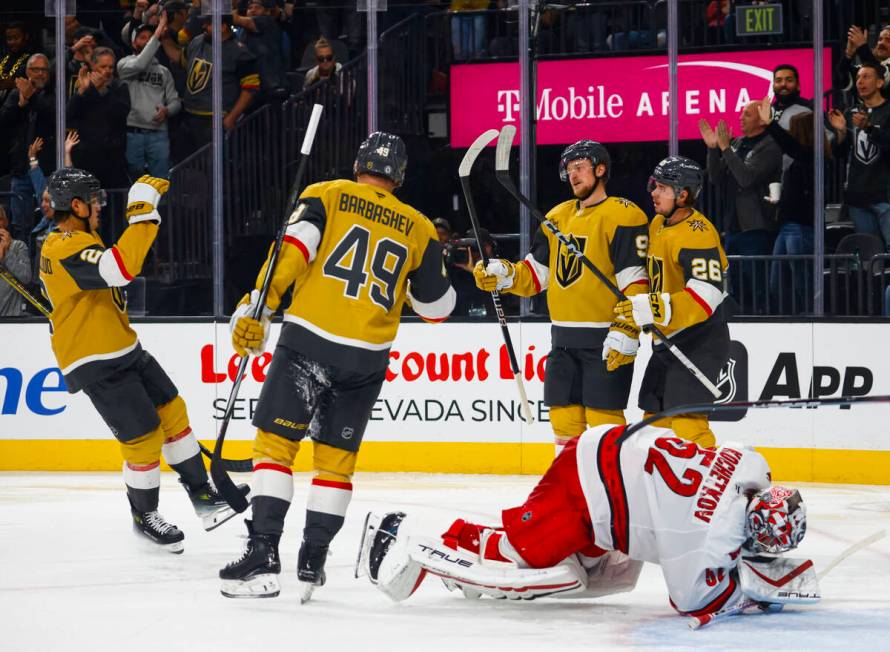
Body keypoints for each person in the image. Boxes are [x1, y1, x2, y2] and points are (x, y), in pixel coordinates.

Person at [219, 132, 456, 601]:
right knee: (336, 462)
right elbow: (438, 308)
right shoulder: (419, 227)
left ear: (358, 163)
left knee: (275, 446)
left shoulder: (325, 194)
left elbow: (292, 254)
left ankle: (264, 554)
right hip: (366, 358)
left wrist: (258, 308)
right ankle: (314, 560)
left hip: (309, 342)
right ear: (400, 176)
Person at [359, 422, 811, 622]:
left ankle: (470, 560)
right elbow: (692, 600)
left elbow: (740, 458)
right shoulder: (704, 536)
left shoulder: (753, 466)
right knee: (533, 559)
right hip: (588, 479)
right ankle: (412, 533)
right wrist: (755, 586)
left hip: (616, 459)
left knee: (606, 572)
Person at [38, 169, 243, 551]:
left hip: (123, 348)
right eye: (94, 200)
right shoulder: (62, 246)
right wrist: (143, 212)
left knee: (173, 413)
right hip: (94, 359)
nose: (100, 206)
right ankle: (143, 516)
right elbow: (121, 269)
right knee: (144, 439)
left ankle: (202, 495)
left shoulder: (80, 237)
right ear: (77, 206)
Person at [473, 141, 649, 453]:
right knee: (564, 424)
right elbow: (534, 277)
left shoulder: (624, 215)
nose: (573, 175)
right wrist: (504, 274)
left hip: (605, 342)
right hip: (563, 341)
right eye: (569, 170)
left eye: (580, 167)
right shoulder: (556, 217)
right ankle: (569, 498)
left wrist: (627, 328)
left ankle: (611, 498)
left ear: (600, 169)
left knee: (604, 428)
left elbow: (635, 281)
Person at [614, 157, 729, 449]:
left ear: (684, 194)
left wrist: (653, 308)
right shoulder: (658, 224)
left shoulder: (698, 234)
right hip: (666, 341)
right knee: (653, 425)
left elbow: (707, 296)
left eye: (663, 187)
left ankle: (715, 489)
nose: (654, 192)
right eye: (655, 185)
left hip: (699, 341)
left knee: (689, 426)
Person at [701, 103, 781, 313]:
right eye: (741, 112)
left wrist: (726, 149)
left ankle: (760, 323)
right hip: (733, 226)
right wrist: (712, 149)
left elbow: (746, 178)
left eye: (747, 114)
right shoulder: (738, 142)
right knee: (736, 285)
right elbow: (716, 178)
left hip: (756, 227)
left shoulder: (770, 146)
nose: (740, 117)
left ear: (762, 120)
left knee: (756, 286)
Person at [759, 99, 829, 313]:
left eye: (792, 131)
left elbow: (792, 147)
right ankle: (789, 316)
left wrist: (771, 125)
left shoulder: (812, 157)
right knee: (777, 280)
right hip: (788, 225)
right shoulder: (797, 161)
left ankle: (810, 316)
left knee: (801, 279)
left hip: (800, 227)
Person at [160, 14, 259, 158]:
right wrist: (165, 39)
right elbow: (179, 59)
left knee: (211, 167)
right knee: (183, 164)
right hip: (189, 117)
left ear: (223, 27)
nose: (203, 27)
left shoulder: (239, 52)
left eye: (208, 24)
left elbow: (250, 88)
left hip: (215, 121)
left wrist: (232, 117)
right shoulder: (198, 41)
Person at [829, 62, 890, 251]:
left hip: (885, 196)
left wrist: (869, 129)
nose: (860, 82)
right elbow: (839, 154)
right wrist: (840, 133)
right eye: (857, 78)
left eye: (866, 77)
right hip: (858, 197)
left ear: (880, 82)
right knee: (870, 256)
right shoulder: (850, 113)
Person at [117, 16, 181, 180]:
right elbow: (140, 64)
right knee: (135, 178)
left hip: (158, 134)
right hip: (133, 133)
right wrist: (158, 32)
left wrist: (167, 110)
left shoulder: (163, 71)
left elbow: (176, 101)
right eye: (142, 37)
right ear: (133, 43)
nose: (147, 41)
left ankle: (161, 207)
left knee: (160, 180)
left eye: (150, 38)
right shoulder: (124, 64)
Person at [0, 53, 55, 239]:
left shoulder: (52, 95)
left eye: (43, 70)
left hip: (45, 169)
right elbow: (3, 121)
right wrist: (20, 105)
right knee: (19, 223)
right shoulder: (16, 94)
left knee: (49, 218)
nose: (40, 74)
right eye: (35, 69)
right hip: (20, 168)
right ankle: (23, 264)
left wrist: (31, 98)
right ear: (26, 71)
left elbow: (52, 118)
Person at [67, 47, 132, 190]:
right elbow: (68, 117)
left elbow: (119, 114)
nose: (108, 71)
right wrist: (81, 92)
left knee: (112, 208)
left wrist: (101, 90)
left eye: (110, 67)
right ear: (93, 67)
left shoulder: (120, 87)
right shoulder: (84, 88)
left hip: (113, 160)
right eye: (103, 66)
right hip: (87, 159)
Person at [232, 0, 288, 103]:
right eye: (250, 8)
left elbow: (235, 19)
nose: (253, 10)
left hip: (271, 88)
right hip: (254, 86)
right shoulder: (244, 31)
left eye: (257, 7)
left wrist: (235, 5)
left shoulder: (266, 21)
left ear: (266, 11)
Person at [834, 25, 890, 102]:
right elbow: (840, 81)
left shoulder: (881, 69)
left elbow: (881, 75)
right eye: (880, 39)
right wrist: (848, 54)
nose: (881, 43)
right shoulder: (865, 67)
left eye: (888, 40)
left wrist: (862, 47)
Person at [0, 204, 31, 316]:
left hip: (12, 318)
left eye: (0, 219)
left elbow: (26, 277)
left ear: (6, 222)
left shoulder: (18, 246)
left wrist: (7, 254)